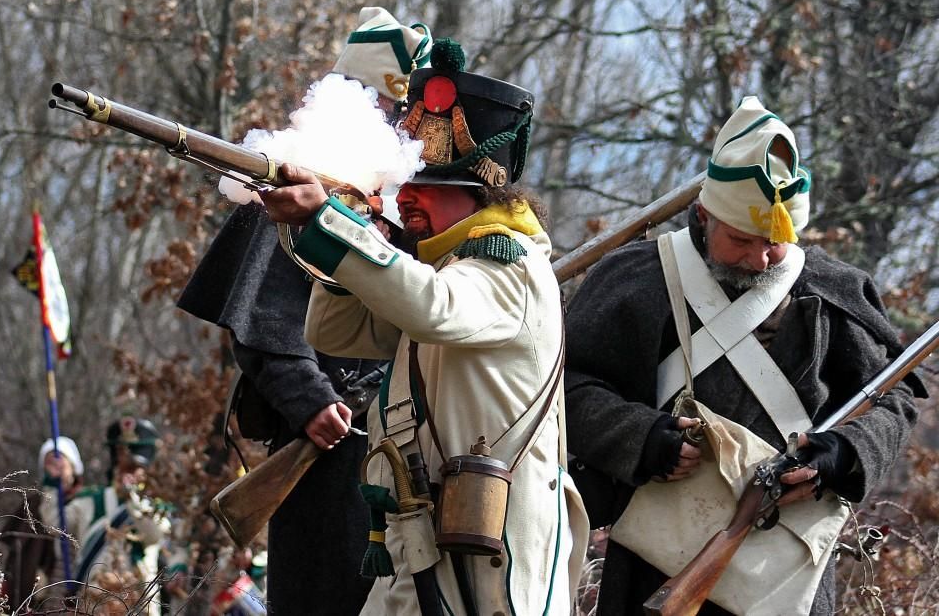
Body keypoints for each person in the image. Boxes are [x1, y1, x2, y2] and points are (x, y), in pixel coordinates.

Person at [261, 39, 589, 616]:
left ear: (478, 193)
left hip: (491, 549)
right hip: (421, 539)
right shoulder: (446, 268)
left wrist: (332, 224)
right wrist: (350, 230)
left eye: (424, 186)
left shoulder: (509, 262)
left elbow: (434, 307)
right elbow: (334, 334)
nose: (405, 198)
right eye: (404, 184)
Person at [563, 96, 926, 615]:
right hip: (651, 559)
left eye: (774, 243)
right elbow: (566, 386)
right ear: (703, 215)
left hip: (784, 569)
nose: (759, 259)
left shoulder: (835, 290)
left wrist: (843, 453)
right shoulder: (636, 279)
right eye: (740, 240)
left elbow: (893, 400)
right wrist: (638, 437)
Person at [177, 6, 431, 616]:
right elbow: (264, 319)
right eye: (390, 107)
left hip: (412, 434)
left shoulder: (405, 196)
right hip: (332, 433)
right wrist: (310, 399)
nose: (401, 124)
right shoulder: (302, 178)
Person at [65, 416, 170, 616]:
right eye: (123, 465)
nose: (127, 473)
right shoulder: (90, 500)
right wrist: (54, 484)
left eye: (134, 468)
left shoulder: (155, 506)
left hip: (140, 603)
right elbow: (56, 524)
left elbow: (154, 536)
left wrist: (132, 498)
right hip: (95, 601)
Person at [0, 435, 84, 610]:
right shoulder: (33, 503)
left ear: (72, 466)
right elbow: (16, 549)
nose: (54, 468)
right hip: (35, 586)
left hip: (72, 579)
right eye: (49, 463)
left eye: (59, 462)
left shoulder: (85, 500)